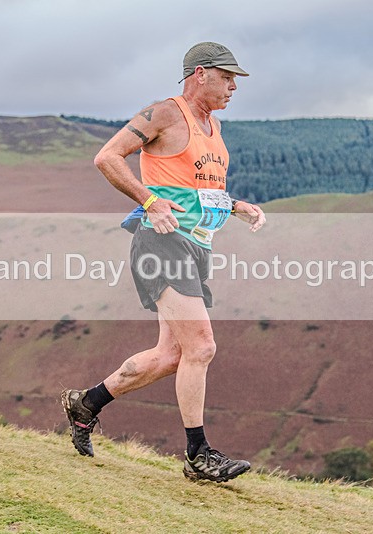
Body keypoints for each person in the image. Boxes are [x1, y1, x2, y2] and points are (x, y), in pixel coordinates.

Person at [61, 42, 266, 483]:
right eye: (227, 77)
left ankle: (87, 404)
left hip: (196, 246)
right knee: (202, 347)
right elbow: (107, 157)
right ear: (200, 74)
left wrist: (235, 206)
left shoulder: (212, 125)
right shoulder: (165, 114)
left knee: (171, 355)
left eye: (235, 79)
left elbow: (195, 188)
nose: (233, 86)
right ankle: (198, 455)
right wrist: (149, 201)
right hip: (161, 243)